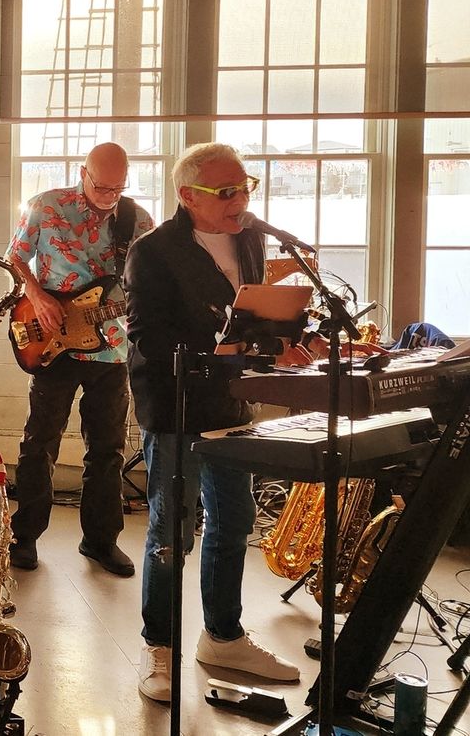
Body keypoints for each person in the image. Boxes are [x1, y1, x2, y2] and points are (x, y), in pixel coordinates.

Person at [126, 142, 302, 703]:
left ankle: (223, 637)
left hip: (230, 401)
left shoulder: (250, 238)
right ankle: (160, 647)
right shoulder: (153, 251)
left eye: (246, 187)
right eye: (226, 192)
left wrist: (283, 341)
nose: (240, 200)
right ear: (187, 195)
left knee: (233, 519)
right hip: (175, 403)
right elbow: (147, 338)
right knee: (170, 529)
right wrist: (220, 347)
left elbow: (249, 315)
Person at [5, 142, 154, 576]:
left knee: (107, 449)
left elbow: (149, 278)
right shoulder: (47, 206)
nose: (109, 196)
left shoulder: (138, 220)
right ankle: (24, 536)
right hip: (53, 340)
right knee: (40, 442)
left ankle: (100, 541)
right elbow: (15, 257)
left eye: (118, 188)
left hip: (112, 346)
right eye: (102, 186)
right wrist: (37, 296)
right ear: (82, 173)